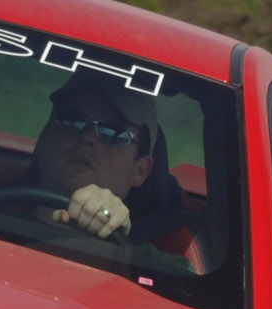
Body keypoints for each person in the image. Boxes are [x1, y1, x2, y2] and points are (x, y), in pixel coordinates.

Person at [30, 79, 191, 258]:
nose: (88, 137)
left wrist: (110, 245)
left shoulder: (155, 266)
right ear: (44, 138)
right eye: (71, 121)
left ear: (140, 170)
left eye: (112, 133)